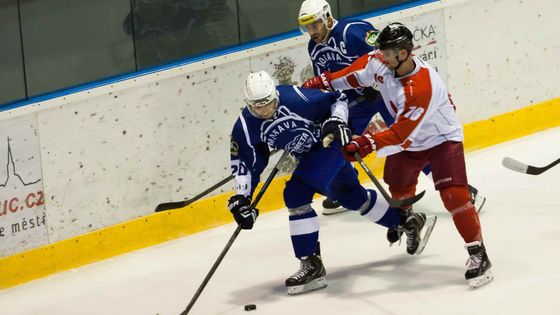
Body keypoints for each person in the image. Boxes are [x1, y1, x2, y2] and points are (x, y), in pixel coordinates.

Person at [302, 23, 492, 288]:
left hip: (440, 139)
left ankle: (478, 254)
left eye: (388, 52)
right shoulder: (382, 61)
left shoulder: (421, 87)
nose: (381, 55)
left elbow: (400, 134)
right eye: (382, 51)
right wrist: (322, 83)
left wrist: (365, 143)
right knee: (398, 189)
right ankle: (413, 221)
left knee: (454, 196)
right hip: (408, 140)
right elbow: (353, 76)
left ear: (404, 54)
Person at [228, 70, 432, 295]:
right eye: (258, 107)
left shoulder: (296, 98)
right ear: (248, 104)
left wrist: (335, 121)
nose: (265, 110)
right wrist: (242, 198)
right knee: (350, 195)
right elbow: (245, 163)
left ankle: (311, 263)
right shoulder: (245, 127)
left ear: (275, 94)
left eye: (269, 103)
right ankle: (406, 221)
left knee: (296, 194)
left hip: (330, 144)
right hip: (308, 155)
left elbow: (338, 99)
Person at [297, 0, 486, 223]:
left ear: (328, 19)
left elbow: (383, 55)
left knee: (408, 138)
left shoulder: (352, 31)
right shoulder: (314, 47)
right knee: (340, 138)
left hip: (381, 93)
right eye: (306, 27)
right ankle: (347, 187)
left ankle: (459, 186)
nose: (311, 32)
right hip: (353, 99)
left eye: (315, 25)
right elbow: (331, 78)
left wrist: (374, 85)